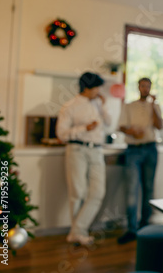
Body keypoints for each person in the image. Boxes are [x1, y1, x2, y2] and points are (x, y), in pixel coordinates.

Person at [56, 72, 111, 246]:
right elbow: (61, 134)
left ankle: (76, 231)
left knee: (97, 192)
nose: (99, 91)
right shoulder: (70, 106)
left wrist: (103, 106)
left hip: (97, 151)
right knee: (77, 192)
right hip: (77, 149)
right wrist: (83, 128)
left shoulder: (98, 103)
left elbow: (109, 123)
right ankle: (79, 233)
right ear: (87, 88)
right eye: (96, 88)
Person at [117, 77, 163, 244]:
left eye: (148, 86)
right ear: (138, 87)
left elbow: (160, 126)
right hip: (133, 150)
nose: (145, 89)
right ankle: (131, 229)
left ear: (150, 88)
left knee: (149, 188)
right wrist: (131, 131)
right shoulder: (129, 106)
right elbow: (121, 126)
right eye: (143, 86)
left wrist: (154, 107)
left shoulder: (155, 106)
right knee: (132, 190)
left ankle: (145, 226)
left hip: (151, 149)